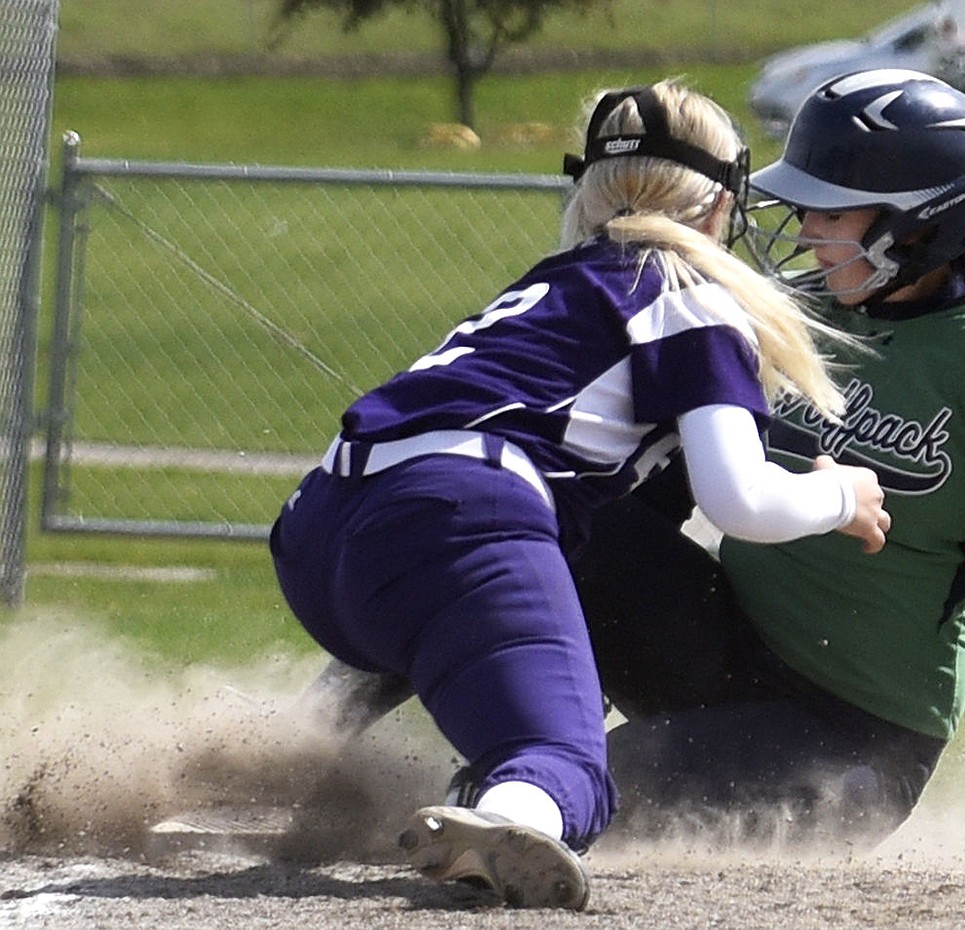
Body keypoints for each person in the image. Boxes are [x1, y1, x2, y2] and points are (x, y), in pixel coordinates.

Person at [269, 78, 890, 909]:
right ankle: (509, 819)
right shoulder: (686, 295)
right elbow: (740, 501)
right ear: (715, 205)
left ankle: (265, 769)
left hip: (316, 532)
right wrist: (843, 500)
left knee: (474, 594)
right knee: (565, 765)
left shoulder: (558, 281)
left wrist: (306, 737)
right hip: (457, 512)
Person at [572, 68, 965, 874]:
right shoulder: (793, 312)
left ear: (922, 224)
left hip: (852, 736)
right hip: (726, 651)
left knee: (600, 789)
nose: (806, 231)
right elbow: (662, 497)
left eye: (831, 211)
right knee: (581, 535)